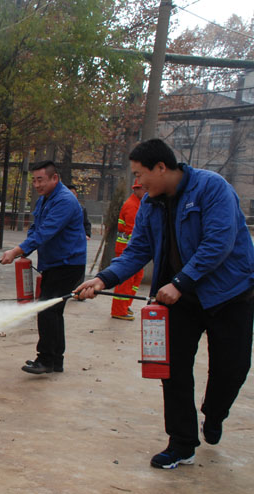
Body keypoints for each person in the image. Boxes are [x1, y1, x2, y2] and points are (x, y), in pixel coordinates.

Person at [75, 138, 254, 470]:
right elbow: (137, 250)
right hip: (178, 299)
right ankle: (182, 443)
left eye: (139, 174)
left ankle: (215, 413)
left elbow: (219, 242)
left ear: (161, 167)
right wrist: (103, 279)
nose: (138, 182)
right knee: (173, 370)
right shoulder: (150, 204)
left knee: (232, 368)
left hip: (229, 294)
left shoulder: (212, 188)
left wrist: (181, 282)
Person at [0, 161, 86, 374]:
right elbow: (35, 228)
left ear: (54, 178)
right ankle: (56, 360)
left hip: (67, 264)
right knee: (54, 311)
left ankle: (46, 359)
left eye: (41, 180)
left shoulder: (64, 201)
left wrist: (16, 251)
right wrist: (25, 250)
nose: (37, 185)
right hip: (54, 264)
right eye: (34, 181)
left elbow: (46, 231)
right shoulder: (45, 199)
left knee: (47, 309)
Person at [110, 181, 145, 320]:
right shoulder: (132, 206)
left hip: (131, 250)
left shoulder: (138, 203)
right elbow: (133, 231)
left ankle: (125, 305)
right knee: (126, 281)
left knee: (136, 278)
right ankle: (119, 310)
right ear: (137, 189)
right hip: (127, 251)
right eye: (144, 189)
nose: (147, 192)